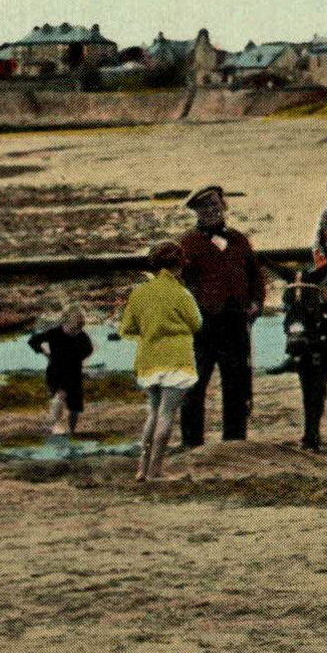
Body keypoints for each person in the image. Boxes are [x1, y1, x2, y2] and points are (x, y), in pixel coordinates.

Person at [177, 185, 264, 445]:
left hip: (236, 322)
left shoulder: (239, 240)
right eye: (204, 207)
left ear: (223, 206)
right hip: (203, 325)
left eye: (215, 205)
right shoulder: (187, 243)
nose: (211, 211)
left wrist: (257, 303)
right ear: (196, 212)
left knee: (237, 383)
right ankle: (192, 443)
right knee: (195, 384)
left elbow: (255, 276)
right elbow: (180, 282)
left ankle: (235, 441)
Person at [119, 241, 202, 481]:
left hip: (148, 359)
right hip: (176, 359)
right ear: (179, 265)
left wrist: (149, 331)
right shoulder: (180, 292)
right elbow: (196, 324)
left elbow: (127, 328)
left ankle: (141, 468)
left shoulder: (139, 292)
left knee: (153, 414)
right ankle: (155, 468)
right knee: (166, 414)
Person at [28, 305, 93, 436]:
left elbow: (88, 350)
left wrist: (80, 361)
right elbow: (33, 341)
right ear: (67, 321)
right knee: (60, 395)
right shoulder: (54, 333)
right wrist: (44, 352)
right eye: (75, 326)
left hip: (74, 373)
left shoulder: (82, 337)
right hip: (56, 372)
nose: (77, 330)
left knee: (75, 407)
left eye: (80, 327)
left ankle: (71, 431)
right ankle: (53, 426)